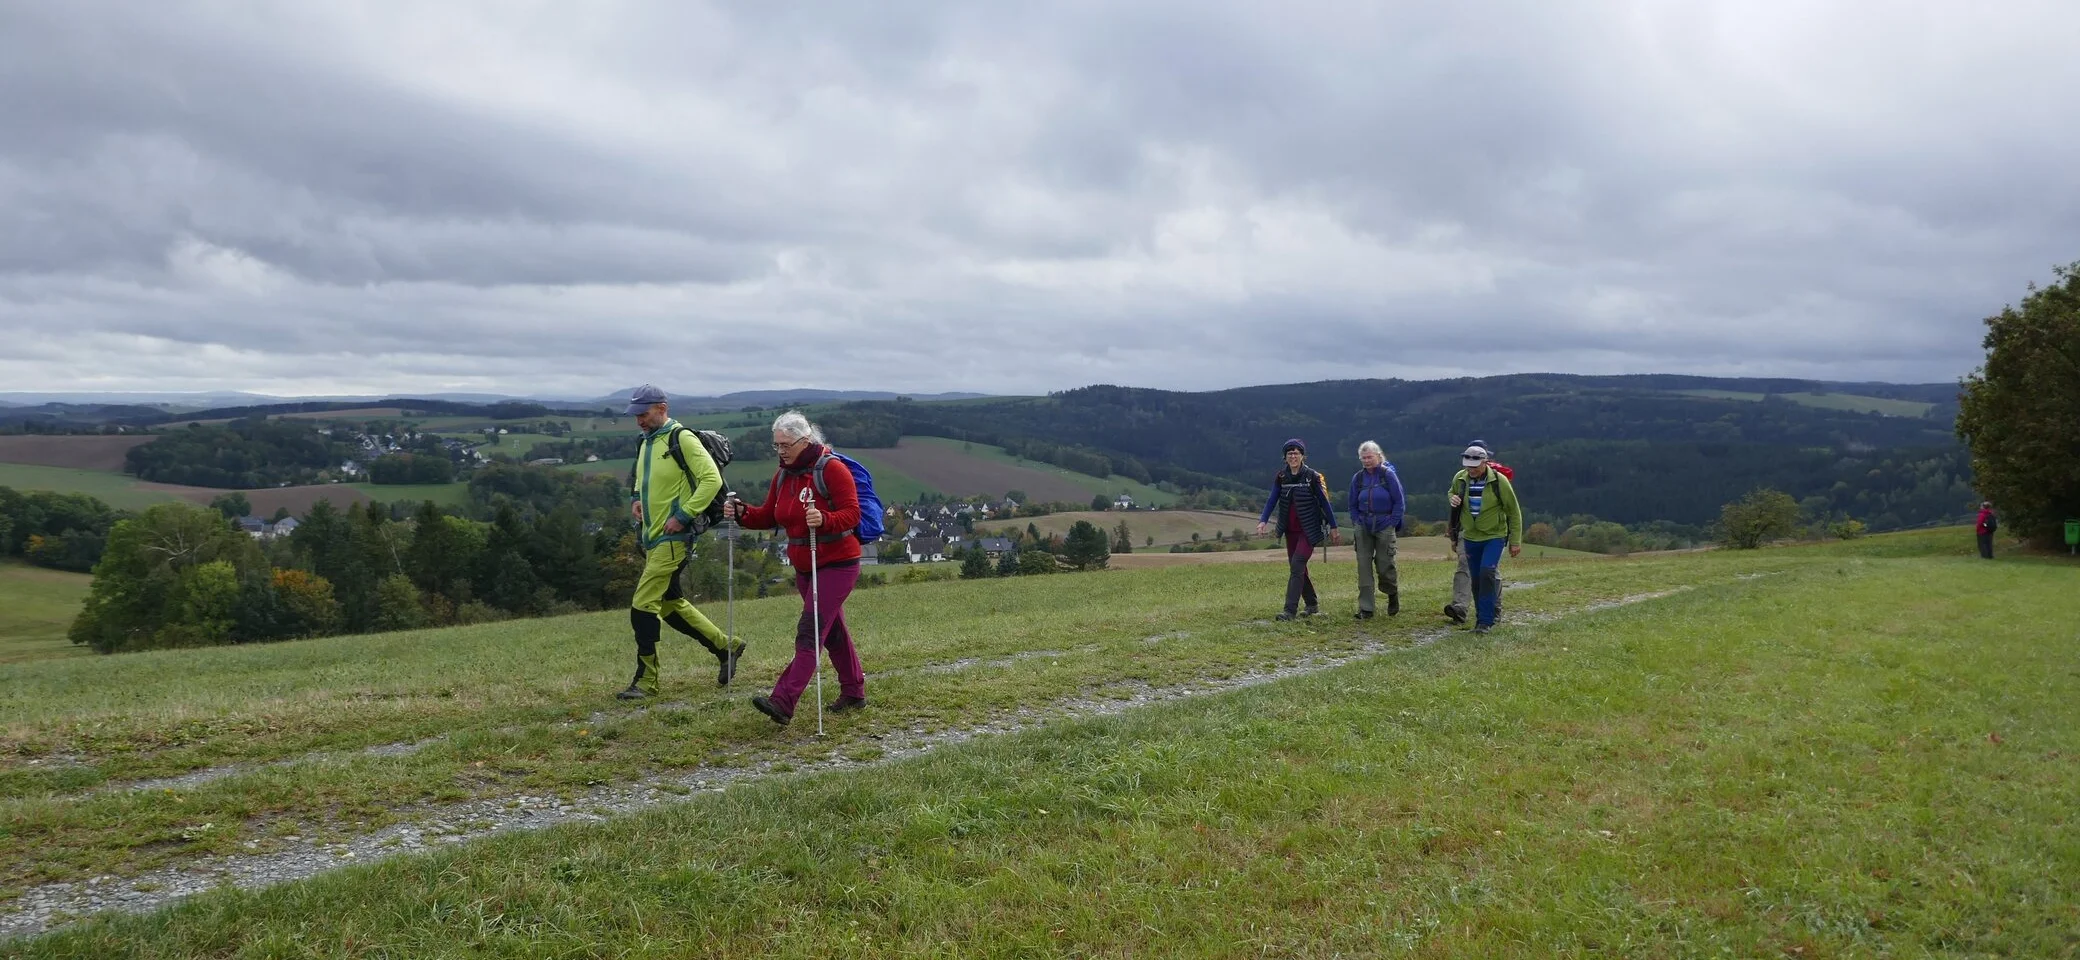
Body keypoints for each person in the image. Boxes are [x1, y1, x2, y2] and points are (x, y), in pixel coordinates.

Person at [723, 411, 868, 725]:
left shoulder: (832, 470)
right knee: (832, 632)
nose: (781, 451)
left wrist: (824, 519)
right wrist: (742, 513)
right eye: (776, 445)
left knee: (810, 632)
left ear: (805, 441)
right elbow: (769, 516)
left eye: (786, 445)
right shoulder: (783, 475)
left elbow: (852, 514)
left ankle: (783, 701)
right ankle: (854, 691)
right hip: (805, 566)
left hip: (837, 563)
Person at [618, 384, 747, 700]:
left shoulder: (682, 438)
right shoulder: (647, 441)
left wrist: (685, 515)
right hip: (653, 536)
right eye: (635, 415)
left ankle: (646, 681)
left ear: (662, 408)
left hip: (675, 538)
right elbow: (642, 477)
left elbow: (711, 480)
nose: (639, 420)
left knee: (643, 604)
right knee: (668, 603)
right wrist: (636, 498)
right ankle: (726, 646)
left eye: (644, 414)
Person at [1255, 438, 1339, 620]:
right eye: (1289, 453)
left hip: (1309, 530)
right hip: (1290, 530)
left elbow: (1325, 502)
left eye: (1296, 453)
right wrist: (1263, 520)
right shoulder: (1281, 477)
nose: (1293, 456)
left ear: (1302, 456)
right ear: (1285, 457)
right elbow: (1272, 499)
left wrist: (1334, 526)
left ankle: (1289, 611)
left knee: (1297, 565)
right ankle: (1312, 604)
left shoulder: (1312, 477)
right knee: (1298, 568)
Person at [1447, 443, 1522, 634]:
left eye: (1474, 466)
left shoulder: (1499, 481)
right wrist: (1453, 498)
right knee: (1476, 579)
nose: (1471, 470)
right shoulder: (1460, 478)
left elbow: (1513, 511)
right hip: (1471, 536)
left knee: (1487, 572)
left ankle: (1486, 622)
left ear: (1485, 462)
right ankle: (1481, 619)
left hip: (1494, 535)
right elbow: (1452, 493)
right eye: (1468, 466)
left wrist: (1515, 541)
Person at [1347, 440, 1406, 619]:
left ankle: (1392, 593)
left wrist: (1392, 522)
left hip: (1384, 525)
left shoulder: (1388, 475)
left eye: (1369, 457)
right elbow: (1352, 503)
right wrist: (1356, 520)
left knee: (1384, 564)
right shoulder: (1358, 478)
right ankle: (1366, 608)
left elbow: (1399, 501)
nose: (1366, 461)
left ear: (1378, 456)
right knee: (1363, 566)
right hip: (1363, 525)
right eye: (1363, 458)